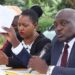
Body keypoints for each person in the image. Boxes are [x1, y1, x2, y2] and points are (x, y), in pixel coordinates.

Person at [28, 8, 75, 75]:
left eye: (63, 23)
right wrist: (15, 42)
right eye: (55, 25)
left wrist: (48, 70)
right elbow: (35, 62)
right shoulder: (57, 41)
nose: (58, 29)